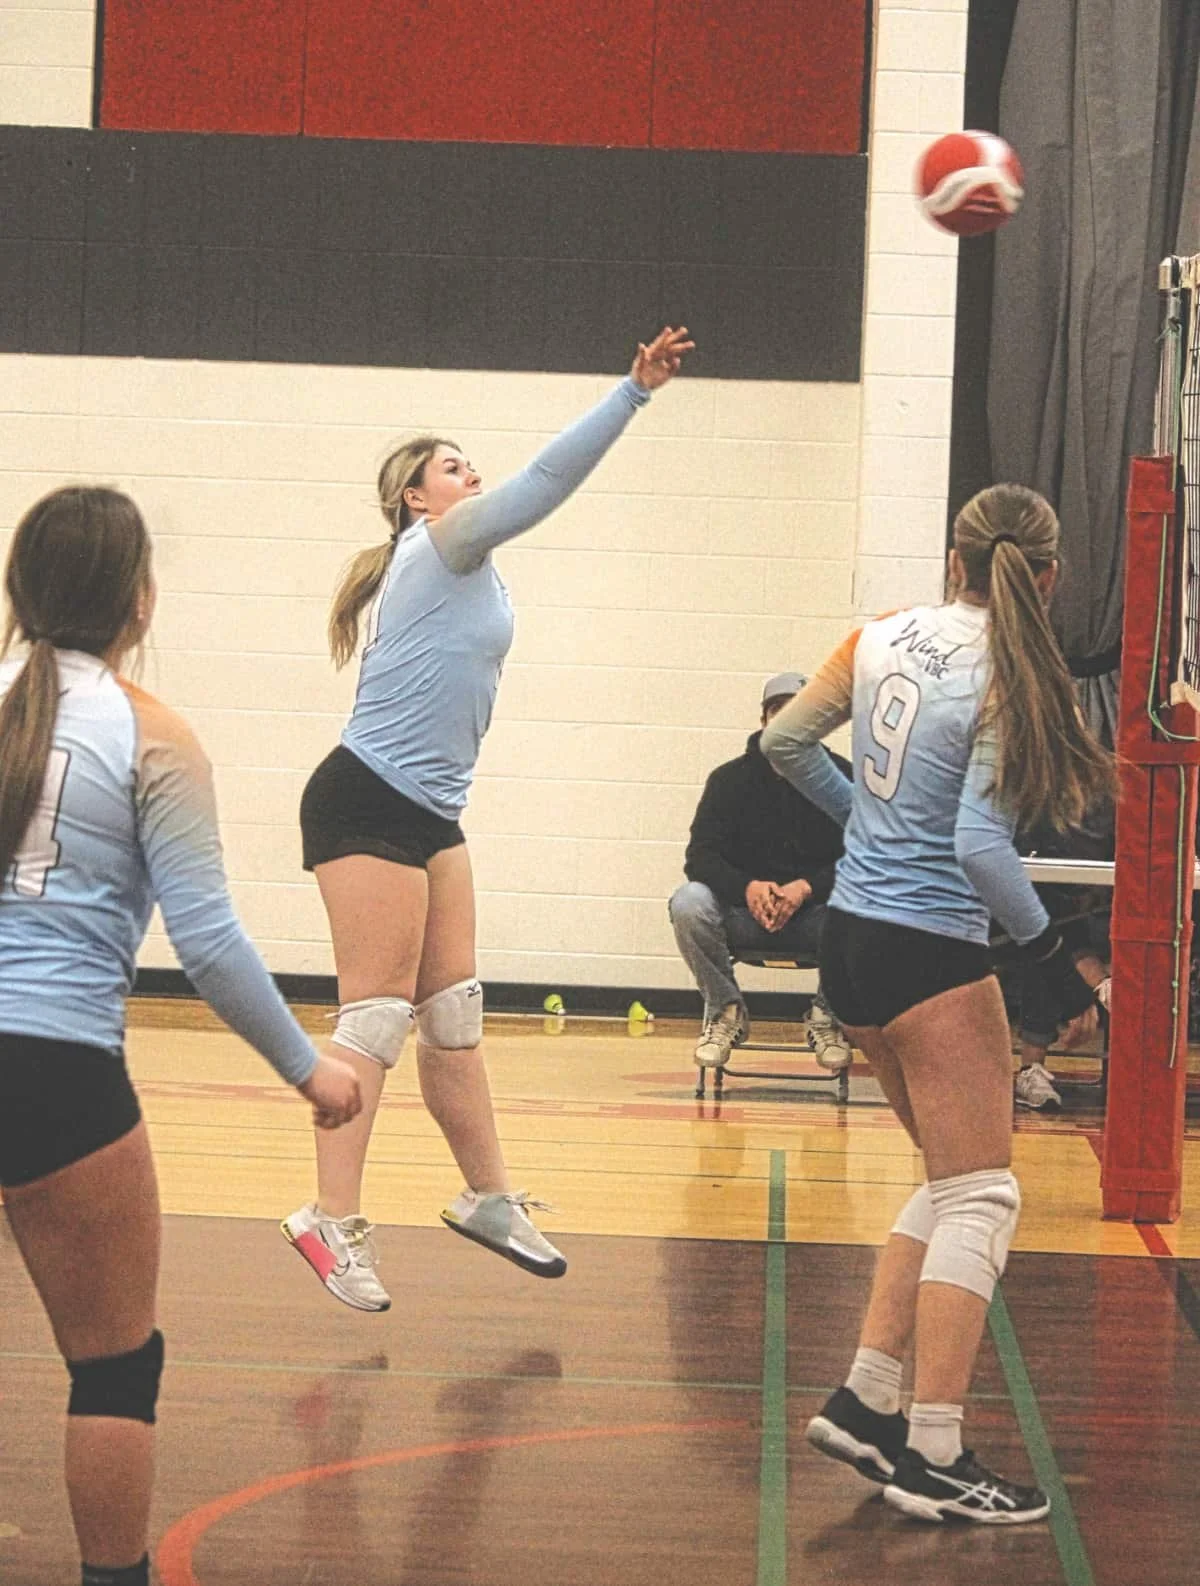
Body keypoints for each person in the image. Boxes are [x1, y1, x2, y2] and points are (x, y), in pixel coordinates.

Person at [284, 326, 695, 1311]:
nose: (470, 473)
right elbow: (545, 482)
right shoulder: (439, 544)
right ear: (415, 498)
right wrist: (632, 393)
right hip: (365, 797)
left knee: (453, 1016)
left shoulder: (467, 562)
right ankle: (327, 1219)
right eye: (451, 467)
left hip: (429, 812)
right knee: (376, 1014)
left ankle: (489, 1197)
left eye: (471, 463)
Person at [0, 487, 361, 1586]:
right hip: (58, 1071)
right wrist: (309, 1068)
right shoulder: (154, 736)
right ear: (140, 599)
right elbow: (206, 942)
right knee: (113, 1368)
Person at [761, 483, 1115, 1523]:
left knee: (952, 1181)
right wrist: (1050, 957)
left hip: (852, 942)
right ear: (1046, 578)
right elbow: (976, 845)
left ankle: (867, 1400)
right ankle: (935, 1451)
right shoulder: (1010, 670)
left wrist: (867, 822)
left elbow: (785, 743)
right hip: (928, 946)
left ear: (953, 559)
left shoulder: (878, 633)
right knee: (986, 1197)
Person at [668, 671, 852, 1074]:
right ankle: (726, 1011)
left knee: (869, 906)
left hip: (819, 920)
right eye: (778, 711)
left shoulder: (844, 778)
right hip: (743, 916)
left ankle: (827, 1017)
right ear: (764, 720)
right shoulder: (728, 780)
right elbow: (700, 857)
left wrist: (806, 887)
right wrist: (747, 888)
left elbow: (865, 858)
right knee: (688, 902)